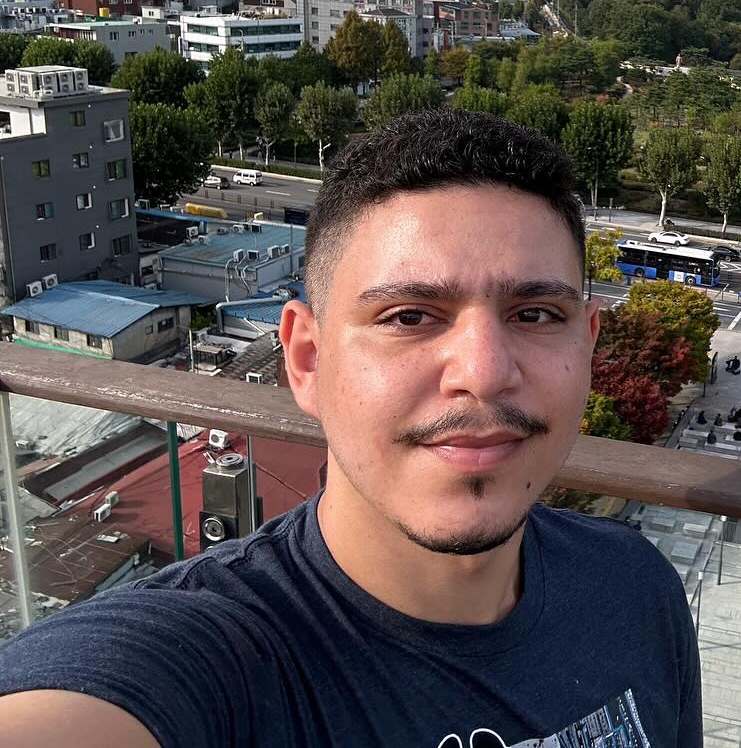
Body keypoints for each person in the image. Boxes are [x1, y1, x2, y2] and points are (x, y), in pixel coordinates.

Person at [0, 110, 703, 746]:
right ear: (306, 358)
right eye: (409, 316)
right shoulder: (216, 664)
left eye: (535, 315)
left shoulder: (638, 590)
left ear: (587, 345)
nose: (484, 372)